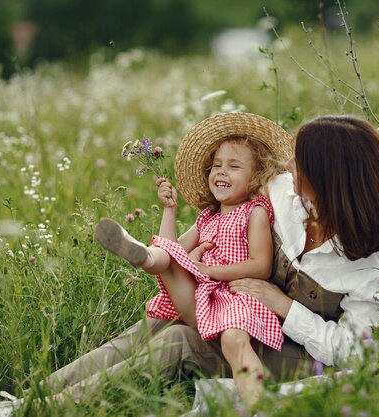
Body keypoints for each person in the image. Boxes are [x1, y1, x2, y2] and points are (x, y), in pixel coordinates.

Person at [0, 113, 379, 414]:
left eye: (302, 162)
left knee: (179, 342)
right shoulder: (288, 197)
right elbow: (243, 177)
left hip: (298, 354)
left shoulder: (376, 267)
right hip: (247, 314)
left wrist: (283, 305)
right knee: (153, 327)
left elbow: (358, 351)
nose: (290, 166)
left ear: (331, 178)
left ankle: (49, 412)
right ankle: (28, 399)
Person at [95, 113, 292, 404]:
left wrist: (210, 269)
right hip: (203, 297)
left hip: (235, 298)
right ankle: (144, 255)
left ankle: (261, 405)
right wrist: (169, 211)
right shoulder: (206, 218)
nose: (222, 172)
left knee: (234, 340)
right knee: (167, 253)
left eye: (234, 166)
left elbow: (260, 266)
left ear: (257, 178)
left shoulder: (255, 211)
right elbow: (174, 248)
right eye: (217, 166)